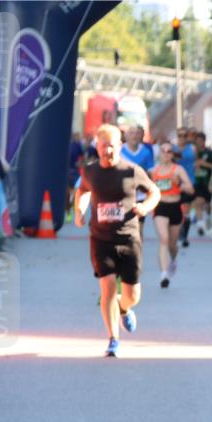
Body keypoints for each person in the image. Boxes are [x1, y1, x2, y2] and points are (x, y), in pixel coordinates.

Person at [74, 124, 161, 357]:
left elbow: (155, 192)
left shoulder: (131, 171)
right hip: (101, 239)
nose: (106, 151)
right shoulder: (90, 172)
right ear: (97, 147)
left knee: (133, 295)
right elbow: (82, 191)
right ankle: (113, 338)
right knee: (108, 287)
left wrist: (144, 206)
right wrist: (79, 211)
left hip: (129, 238)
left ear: (119, 146)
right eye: (102, 147)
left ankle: (124, 308)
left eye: (111, 146)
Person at [150, 142, 195, 288]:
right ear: (159, 154)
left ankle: (173, 260)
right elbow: (145, 189)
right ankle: (164, 274)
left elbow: (191, 189)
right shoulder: (153, 171)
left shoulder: (178, 169)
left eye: (169, 151)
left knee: (172, 244)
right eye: (163, 151)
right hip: (160, 207)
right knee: (164, 239)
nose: (166, 154)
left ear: (172, 154)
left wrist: (179, 184)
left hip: (175, 207)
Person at [192, 132, 212, 234]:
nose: (199, 143)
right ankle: (201, 225)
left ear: (204, 141)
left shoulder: (209, 153)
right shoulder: (194, 153)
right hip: (197, 183)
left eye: (200, 141)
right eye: (197, 141)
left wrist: (204, 164)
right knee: (198, 202)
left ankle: (208, 217)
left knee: (207, 205)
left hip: (207, 182)